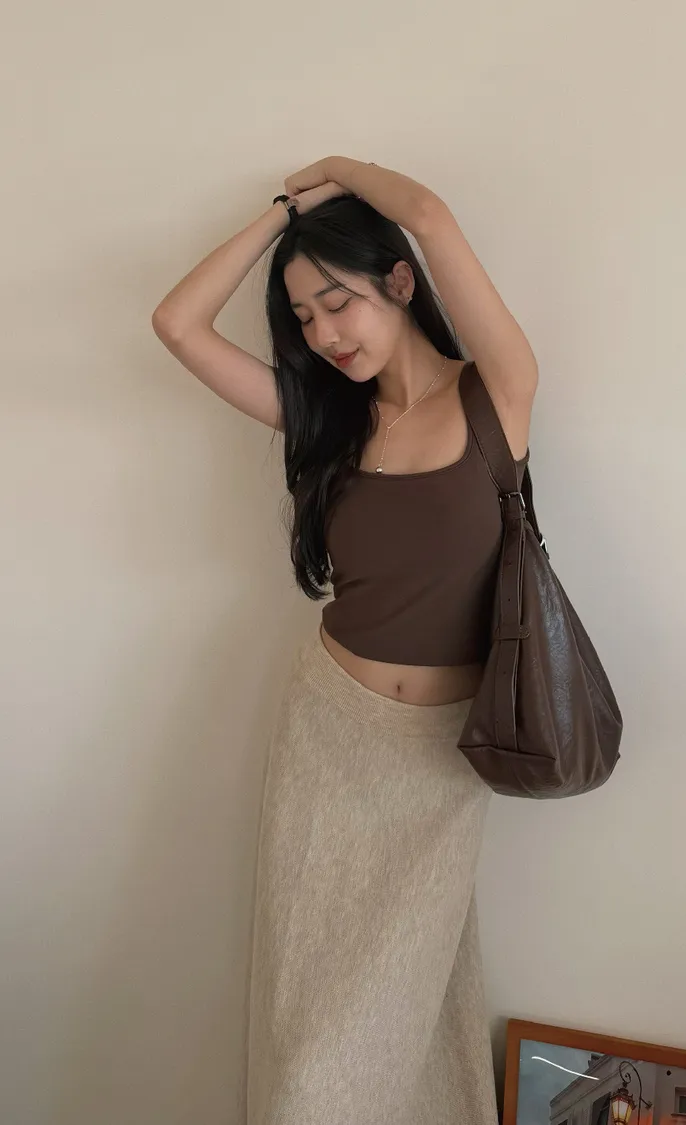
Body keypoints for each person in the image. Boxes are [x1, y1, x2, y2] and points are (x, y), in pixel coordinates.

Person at [152, 156, 538, 1125]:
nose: (324, 334)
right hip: (326, 744)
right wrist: (278, 216)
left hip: (443, 763)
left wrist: (338, 176)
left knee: (406, 1023)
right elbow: (177, 324)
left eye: (338, 303)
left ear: (399, 282)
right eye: (304, 318)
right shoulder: (327, 422)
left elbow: (431, 217)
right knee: (309, 1040)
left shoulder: (496, 395)